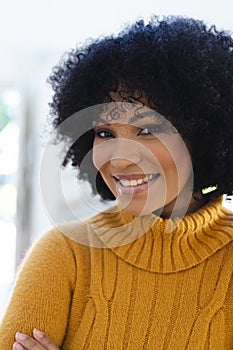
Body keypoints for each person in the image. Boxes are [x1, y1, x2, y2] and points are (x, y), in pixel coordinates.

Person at [0, 15, 233, 350]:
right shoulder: (66, 254)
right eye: (105, 133)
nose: (120, 158)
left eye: (149, 131)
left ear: (205, 135)